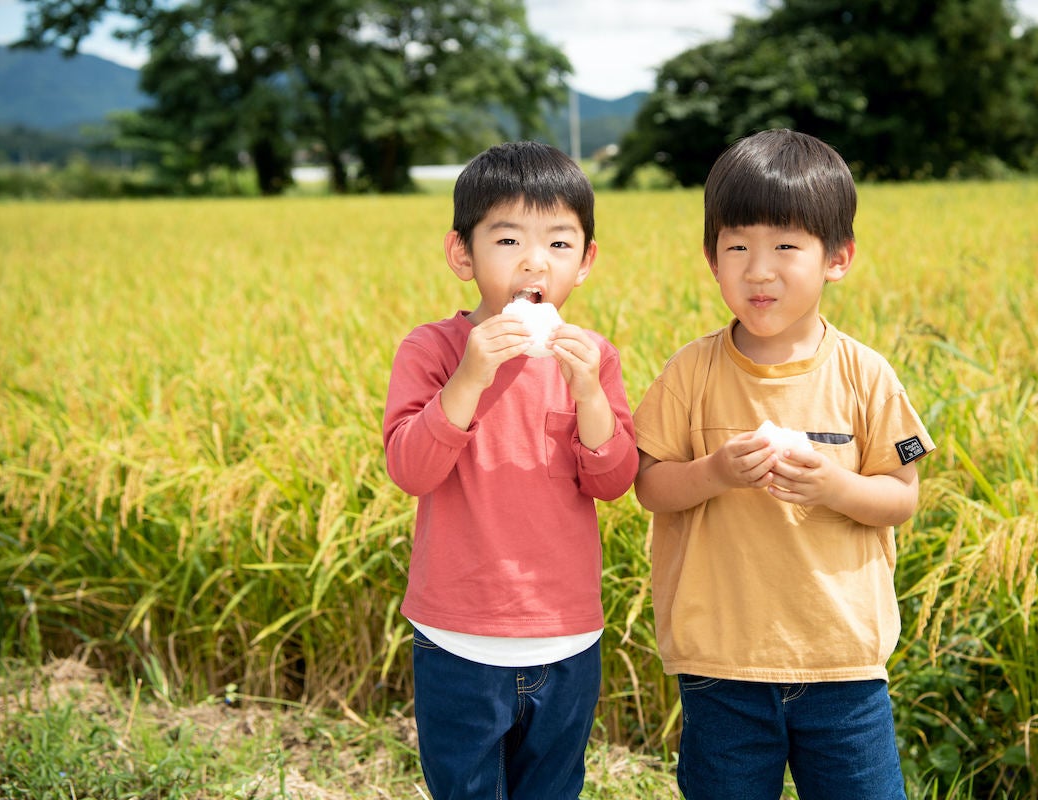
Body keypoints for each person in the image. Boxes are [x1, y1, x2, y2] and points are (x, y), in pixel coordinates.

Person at [633, 129, 934, 800]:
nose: (758, 270)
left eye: (785, 247)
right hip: (722, 667)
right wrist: (714, 472)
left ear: (839, 257)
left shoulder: (866, 375)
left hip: (844, 666)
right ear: (712, 258)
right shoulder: (691, 371)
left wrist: (833, 485)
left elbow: (902, 494)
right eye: (737, 246)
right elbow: (649, 485)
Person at [382, 141, 639, 799]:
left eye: (558, 244)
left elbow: (611, 482)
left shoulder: (593, 358)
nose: (533, 261)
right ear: (461, 254)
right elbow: (410, 469)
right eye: (507, 240)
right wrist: (469, 376)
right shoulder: (433, 350)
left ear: (585, 262)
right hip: (457, 639)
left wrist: (587, 396)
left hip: (568, 634)